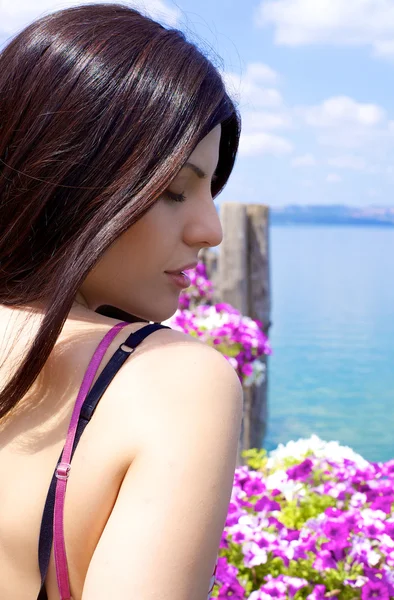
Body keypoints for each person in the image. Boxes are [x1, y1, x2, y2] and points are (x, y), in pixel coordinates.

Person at [0, 3, 243, 599]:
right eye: (172, 190)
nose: (211, 231)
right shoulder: (171, 381)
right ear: (67, 173)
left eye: (210, 189)